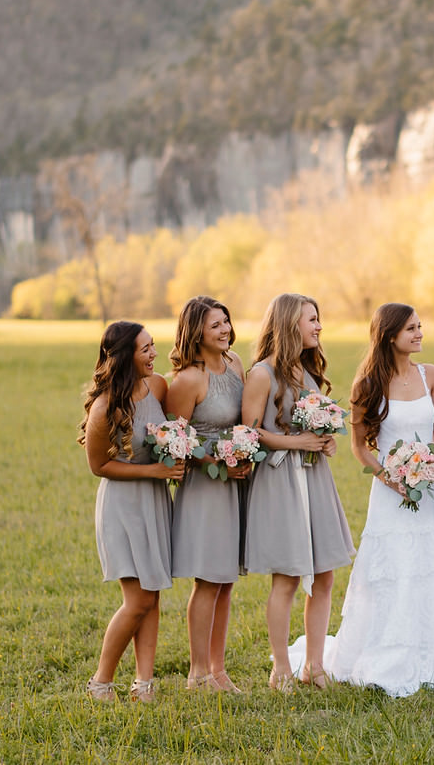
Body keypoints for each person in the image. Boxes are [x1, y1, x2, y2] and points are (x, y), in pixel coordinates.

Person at [327, 303, 434, 696]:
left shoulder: (432, 375)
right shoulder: (367, 385)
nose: (420, 333)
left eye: (420, 326)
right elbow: (359, 448)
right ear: (390, 335)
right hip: (391, 494)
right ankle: (388, 657)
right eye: (412, 328)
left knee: (430, 568)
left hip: (429, 491)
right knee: (394, 572)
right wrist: (392, 479)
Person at [241, 293, 355, 691]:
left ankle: (315, 666)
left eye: (318, 319)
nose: (319, 327)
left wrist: (325, 440)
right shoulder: (262, 374)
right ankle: (281, 670)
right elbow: (249, 433)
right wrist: (298, 444)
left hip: (314, 477)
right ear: (291, 323)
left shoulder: (303, 371)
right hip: (281, 481)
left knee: (324, 576)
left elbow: (314, 425)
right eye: (312, 319)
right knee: (287, 578)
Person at [80, 321, 183, 703]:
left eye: (154, 346)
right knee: (137, 600)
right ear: (124, 356)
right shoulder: (106, 406)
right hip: (123, 506)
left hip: (155, 502)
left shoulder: (157, 387)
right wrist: (154, 470)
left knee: (152, 595)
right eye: (145, 349)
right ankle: (100, 682)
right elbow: (99, 467)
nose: (154, 354)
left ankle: (144, 684)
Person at [167, 295, 248, 693]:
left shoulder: (234, 365)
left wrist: (243, 454)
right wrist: (216, 457)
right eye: (215, 324)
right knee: (207, 580)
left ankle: (218, 670)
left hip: (233, 485)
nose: (225, 330)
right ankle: (197, 673)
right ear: (196, 330)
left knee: (226, 579)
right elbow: (174, 442)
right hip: (204, 487)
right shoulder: (188, 380)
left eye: (226, 322)